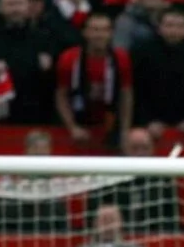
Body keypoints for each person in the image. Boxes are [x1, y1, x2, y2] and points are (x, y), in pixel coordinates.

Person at [55, 11, 134, 149]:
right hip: (79, 120)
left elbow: (126, 95)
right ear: (85, 32)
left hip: (110, 123)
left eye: (104, 30)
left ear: (111, 33)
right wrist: (72, 127)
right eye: (95, 30)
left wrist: (124, 130)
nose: (99, 35)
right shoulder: (69, 59)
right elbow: (61, 96)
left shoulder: (121, 59)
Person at [132, 6, 184, 137]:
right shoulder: (143, 51)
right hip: (150, 122)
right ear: (159, 28)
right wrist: (147, 120)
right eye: (169, 25)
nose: (174, 31)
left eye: (180, 26)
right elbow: (138, 90)